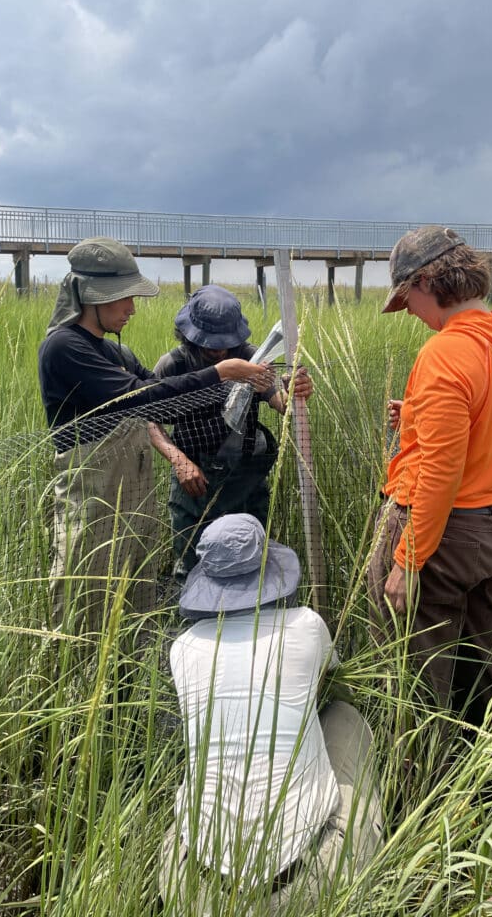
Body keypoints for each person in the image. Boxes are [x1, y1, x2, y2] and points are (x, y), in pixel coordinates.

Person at [38, 239, 274, 636]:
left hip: (129, 488)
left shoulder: (113, 352)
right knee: (87, 583)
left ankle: (127, 666)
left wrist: (247, 381)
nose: (131, 308)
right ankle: (80, 666)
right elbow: (143, 397)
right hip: (93, 489)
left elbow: (163, 404)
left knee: (132, 580)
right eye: (123, 298)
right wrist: (220, 374)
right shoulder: (65, 347)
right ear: (92, 298)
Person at [159, 513, 382, 914]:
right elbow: (335, 686)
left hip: (197, 890)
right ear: (268, 566)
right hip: (308, 883)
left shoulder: (182, 649)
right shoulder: (307, 626)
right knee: (346, 716)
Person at [367, 225, 492, 726]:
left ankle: (419, 787)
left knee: (415, 678)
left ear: (426, 283)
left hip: (441, 537)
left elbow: (441, 472)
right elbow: (485, 423)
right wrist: (419, 411)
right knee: (484, 671)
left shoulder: (446, 352)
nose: (413, 316)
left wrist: (407, 561)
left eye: (408, 301)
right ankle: (488, 779)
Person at [153, 284, 313, 578]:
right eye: (210, 343)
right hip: (194, 480)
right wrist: (179, 461)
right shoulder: (173, 365)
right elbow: (150, 422)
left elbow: (280, 402)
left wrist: (296, 393)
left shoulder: (252, 359)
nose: (219, 349)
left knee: (251, 565)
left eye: (225, 342)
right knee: (191, 567)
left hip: (245, 477)